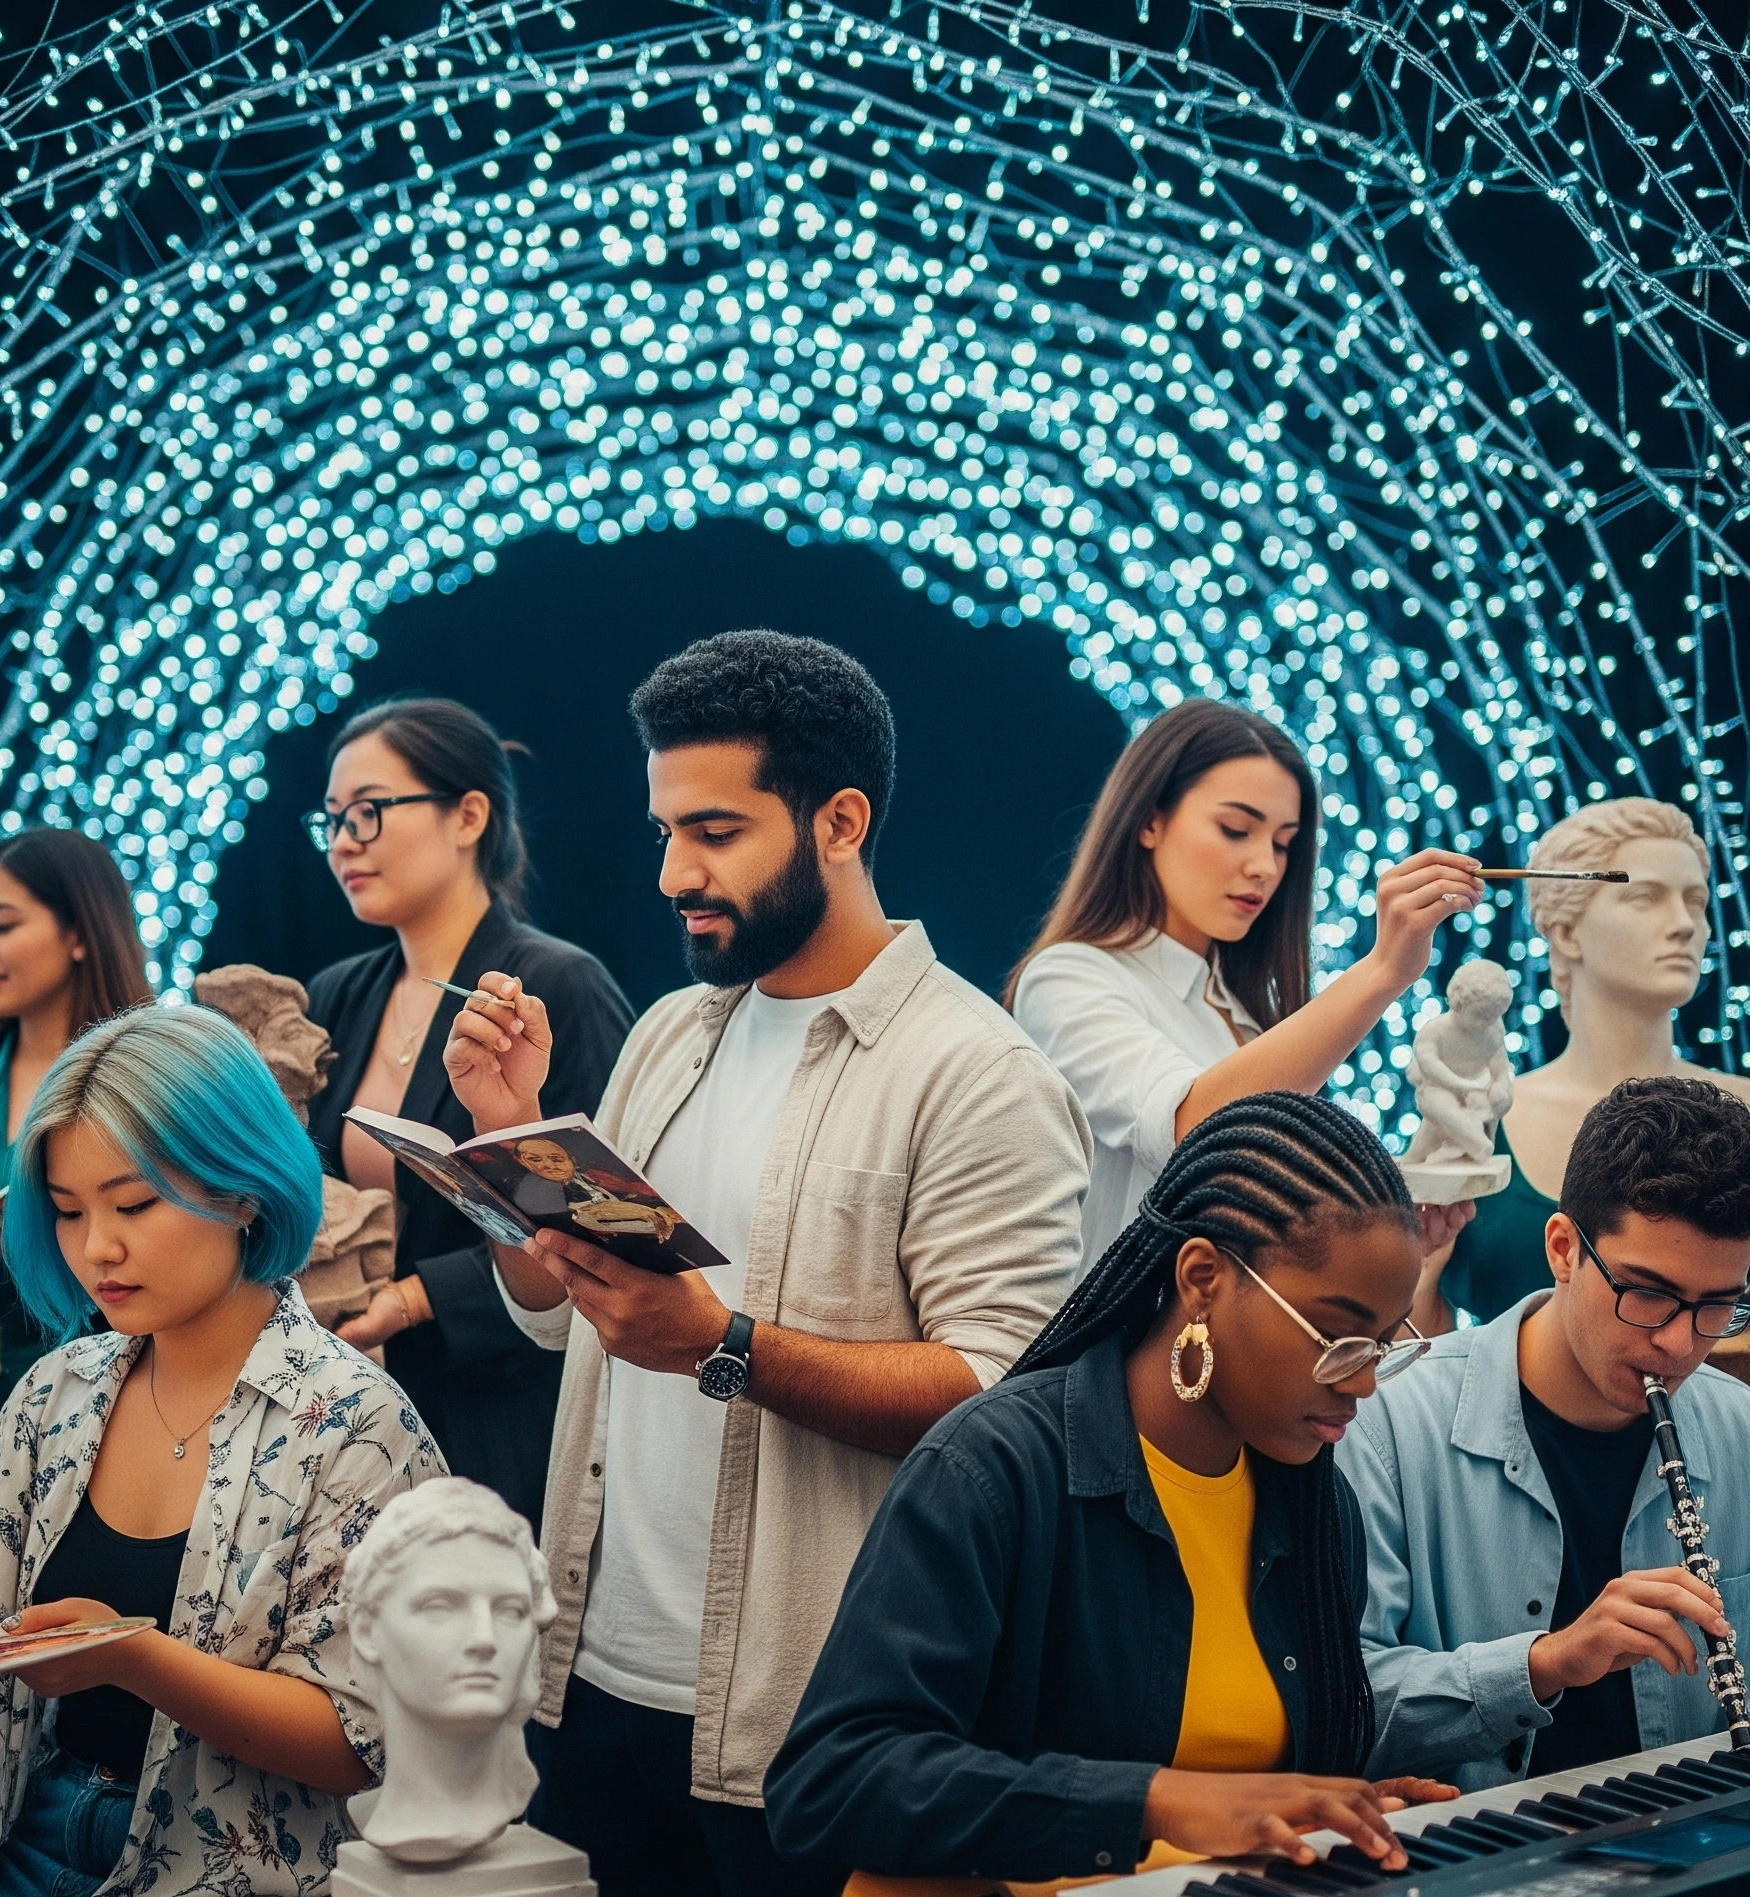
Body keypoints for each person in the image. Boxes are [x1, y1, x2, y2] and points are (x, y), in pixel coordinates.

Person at [441, 631, 1091, 1897]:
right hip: (600, 1675)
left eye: (717, 831)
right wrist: (501, 1141)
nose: (676, 870)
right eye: (664, 831)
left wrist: (718, 1345)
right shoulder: (671, 1032)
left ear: (838, 819)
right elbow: (561, 1317)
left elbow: (1007, 1405)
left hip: (813, 1712)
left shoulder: (976, 1072)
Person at [0, 1004, 443, 1897]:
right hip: (18, 1839)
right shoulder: (59, 1389)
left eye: (134, 1203)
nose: (95, 1248)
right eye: (68, 1212)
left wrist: (136, 1659)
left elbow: (360, 1740)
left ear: (244, 1189)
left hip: (225, 1871)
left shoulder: (356, 1424)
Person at [765, 1092, 1452, 1885]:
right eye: (1335, 1337)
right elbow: (831, 1781)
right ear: (1203, 1276)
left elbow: (1236, 1785)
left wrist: (1330, 1811)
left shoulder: (1315, 1504)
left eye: (1382, 1342)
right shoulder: (993, 1467)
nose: (1363, 1380)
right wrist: (1150, 1802)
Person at [1344, 1076, 1750, 1791]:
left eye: (1718, 1306)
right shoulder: (1385, 1419)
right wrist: (1546, 1662)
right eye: (1648, 1293)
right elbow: (1338, 1705)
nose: (1682, 1344)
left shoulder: (1738, 1426)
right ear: (1562, 1248)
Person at [1006, 698, 1486, 1288]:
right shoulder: (1069, 978)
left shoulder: (1251, 1020)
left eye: (1284, 843)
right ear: (1148, 820)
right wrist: (1382, 971)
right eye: (1236, 830)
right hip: (1120, 1370)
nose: (1265, 865)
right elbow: (1197, 1130)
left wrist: (1392, 1231)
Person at [304, 696, 632, 1535]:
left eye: (369, 811)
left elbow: (606, 1221)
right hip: (356, 1410)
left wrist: (419, 1297)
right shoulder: (339, 994)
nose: (344, 840)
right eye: (334, 818)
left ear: (469, 815)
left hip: (504, 1416)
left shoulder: (558, 985)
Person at [1430, 799, 1750, 1329]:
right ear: (1566, 931)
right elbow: (1421, 1343)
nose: (1684, 925)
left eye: (1695, 901)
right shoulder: (1478, 1116)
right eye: (1646, 897)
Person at [0, 825, 153, 1516]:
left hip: (111, 1386)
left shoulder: (150, 1073)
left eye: (2, 923)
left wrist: (47, 1232)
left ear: (80, 932)